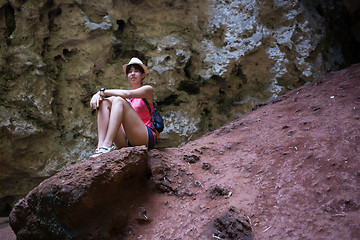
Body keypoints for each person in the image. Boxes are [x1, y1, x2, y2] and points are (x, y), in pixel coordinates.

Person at [89, 57, 157, 157]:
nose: (132, 74)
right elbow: (105, 99)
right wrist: (97, 95)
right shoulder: (124, 99)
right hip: (125, 141)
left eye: (136, 71)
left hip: (144, 137)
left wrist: (102, 91)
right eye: (130, 72)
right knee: (104, 103)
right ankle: (100, 148)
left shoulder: (147, 90)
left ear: (143, 75)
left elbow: (127, 94)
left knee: (118, 100)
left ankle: (107, 145)